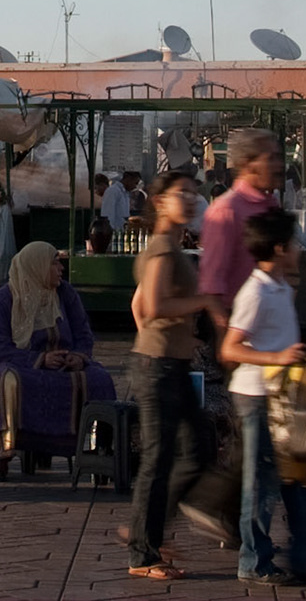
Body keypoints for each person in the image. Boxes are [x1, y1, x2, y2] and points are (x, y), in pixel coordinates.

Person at [221, 208, 306, 586]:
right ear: (280, 247)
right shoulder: (255, 291)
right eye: (296, 243)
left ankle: (303, 559)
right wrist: (276, 357)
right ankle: (253, 560)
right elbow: (231, 349)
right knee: (263, 482)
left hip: (287, 392)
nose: (300, 249)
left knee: (303, 478)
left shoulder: (281, 285)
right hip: (257, 395)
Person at [125, 170, 225, 580]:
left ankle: (147, 532)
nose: (189, 199)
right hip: (159, 367)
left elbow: (138, 307)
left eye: (192, 193)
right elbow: (152, 306)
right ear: (160, 201)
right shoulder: (164, 248)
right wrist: (203, 302)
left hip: (170, 361)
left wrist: (181, 340)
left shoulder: (173, 247)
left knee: (198, 447)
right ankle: (142, 555)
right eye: (180, 193)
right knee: (158, 458)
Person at [0, 241, 115, 481]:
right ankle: (2, 457)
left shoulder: (66, 294)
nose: (60, 268)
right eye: (54, 263)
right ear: (36, 266)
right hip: (22, 364)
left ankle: (98, 450)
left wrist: (78, 356)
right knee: (9, 380)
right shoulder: (4, 300)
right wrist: (40, 359)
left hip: (65, 364)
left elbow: (84, 335)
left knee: (100, 380)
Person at [199, 129, 284, 309]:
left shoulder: (271, 205)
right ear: (248, 164)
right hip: (237, 321)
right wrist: (224, 330)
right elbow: (212, 283)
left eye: (278, 157)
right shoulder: (226, 211)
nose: (279, 166)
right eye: (271, 158)